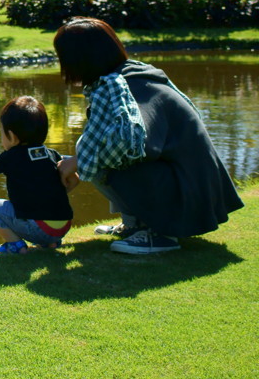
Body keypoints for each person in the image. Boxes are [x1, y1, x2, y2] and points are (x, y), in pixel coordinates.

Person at [54, 17, 243, 254]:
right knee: (93, 154)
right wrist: (79, 159)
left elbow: (135, 143)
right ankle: (136, 224)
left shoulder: (129, 86)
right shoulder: (129, 76)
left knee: (102, 159)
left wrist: (77, 162)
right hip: (187, 185)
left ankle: (160, 235)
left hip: (188, 193)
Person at [0, 96, 74, 254]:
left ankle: (15, 245)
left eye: (2, 132)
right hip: (63, 226)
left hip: (39, 229)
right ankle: (50, 243)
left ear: (12, 136)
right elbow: (74, 179)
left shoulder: (12, 156)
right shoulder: (51, 154)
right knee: (35, 214)